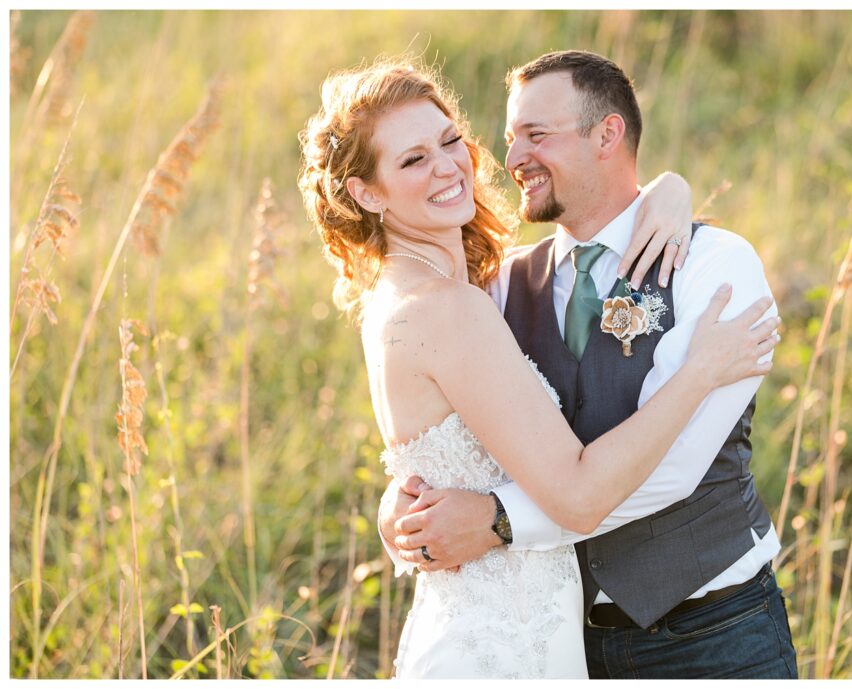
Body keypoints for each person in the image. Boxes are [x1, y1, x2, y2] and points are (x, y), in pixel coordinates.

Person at [297, 58, 778, 678]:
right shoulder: (492, 292)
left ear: (607, 135)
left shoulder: (713, 265)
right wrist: (406, 508)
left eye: (536, 135)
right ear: (365, 192)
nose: (508, 157)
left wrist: (497, 521)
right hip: (547, 639)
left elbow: (676, 468)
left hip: (712, 636)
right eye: (509, 138)